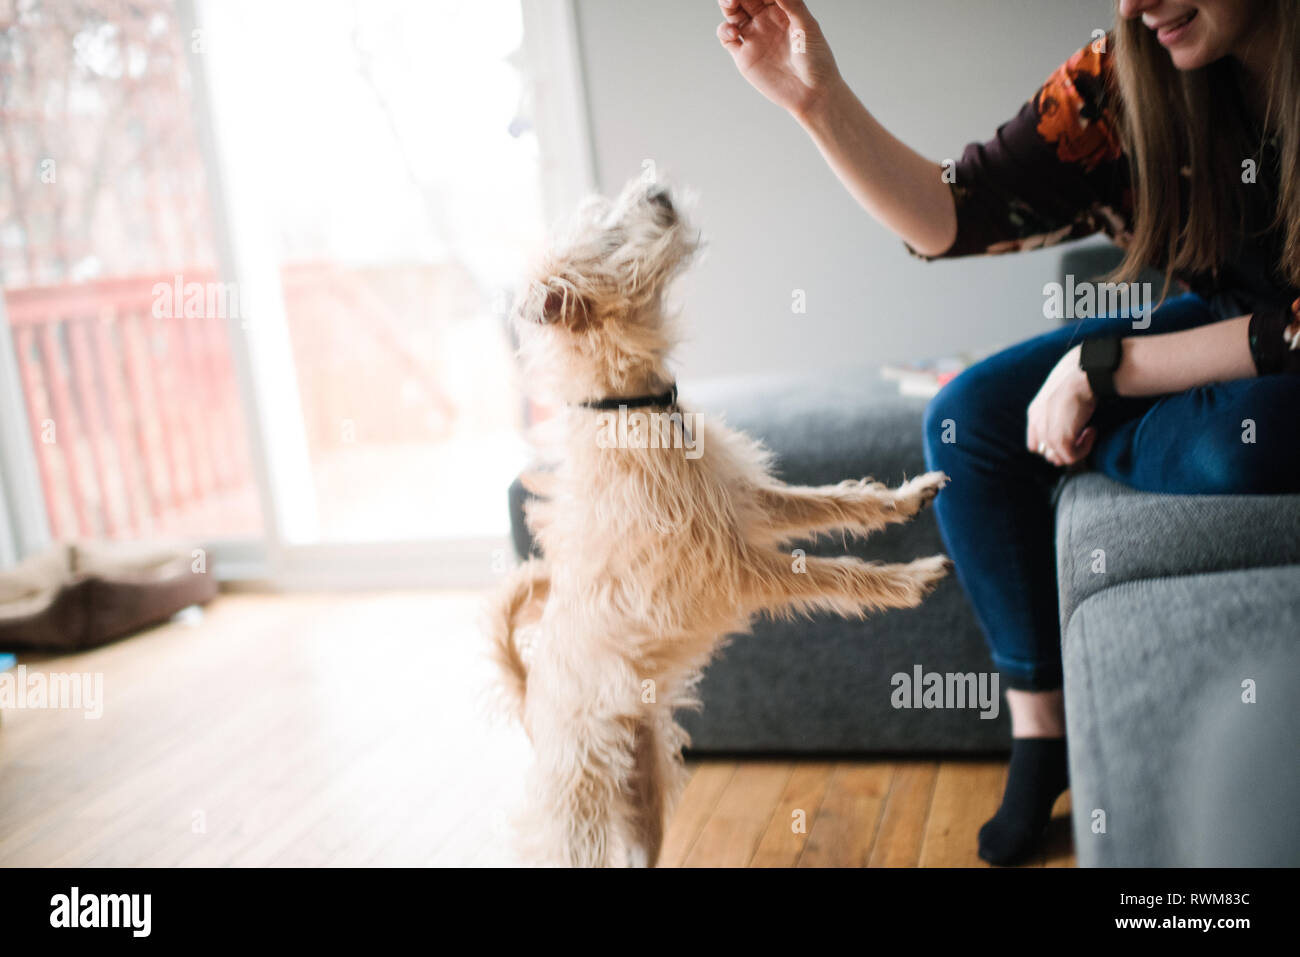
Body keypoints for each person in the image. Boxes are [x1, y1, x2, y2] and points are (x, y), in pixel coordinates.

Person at [717, 0, 1299, 865]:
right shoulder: (1120, 75)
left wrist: (1112, 370)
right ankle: (1041, 733)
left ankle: (1116, 427)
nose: (1140, 6)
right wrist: (819, 102)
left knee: (1233, 443)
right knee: (968, 419)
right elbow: (954, 213)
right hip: (1229, 326)